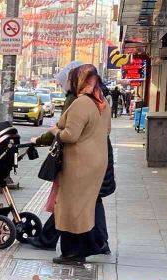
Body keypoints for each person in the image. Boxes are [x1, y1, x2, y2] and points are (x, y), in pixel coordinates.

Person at [46, 64, 110, 265]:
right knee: (85, 206)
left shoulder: (82, 102)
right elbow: (106, 130)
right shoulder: (102, 102)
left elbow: (70, 135)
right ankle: (87, 246)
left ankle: (73, 252)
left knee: (70, 206)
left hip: (79, 163)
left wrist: (55, 130)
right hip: (97, 161)